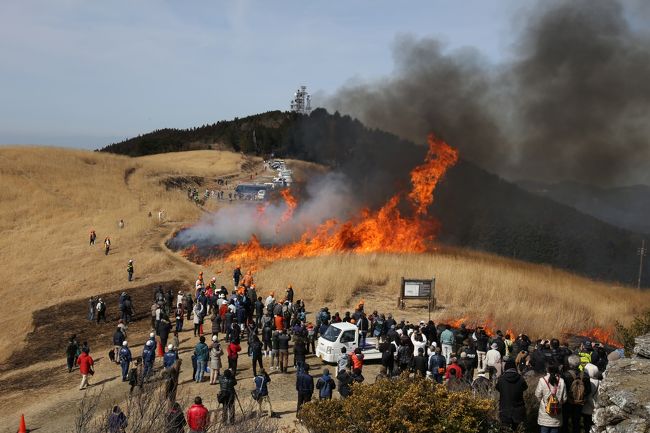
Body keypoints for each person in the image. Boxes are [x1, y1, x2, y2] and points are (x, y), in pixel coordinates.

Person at [495, 359, 528, 431]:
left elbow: (497, 388)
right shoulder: (520, 378)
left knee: (505, 429)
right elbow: (525, 387)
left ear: (505, 368)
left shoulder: (501, 379)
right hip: (518, 409)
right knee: (517, 429)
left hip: (504, 409)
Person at [562, 355, 591, 433]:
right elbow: (588, 390)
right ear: (579, 364)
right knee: (576, 422)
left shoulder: (565, 375)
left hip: (567, 402)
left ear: (569, 364)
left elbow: (562, 389)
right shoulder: (585, 375)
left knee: (565, 421)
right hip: (579, 402)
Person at [535, 365, 567, 433]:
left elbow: (538, 395)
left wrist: (543, 402)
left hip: (545, 412)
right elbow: (564, 398)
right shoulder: (561, 381)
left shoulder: (542, 380)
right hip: (556, 413)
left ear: (547, 370)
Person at [582, 363, 601, 433]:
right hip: (596, 409)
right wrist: (596, 407)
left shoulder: (586, 382)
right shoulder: (601, 382)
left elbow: (588, 397)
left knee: (586, 427)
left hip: (586, 409)